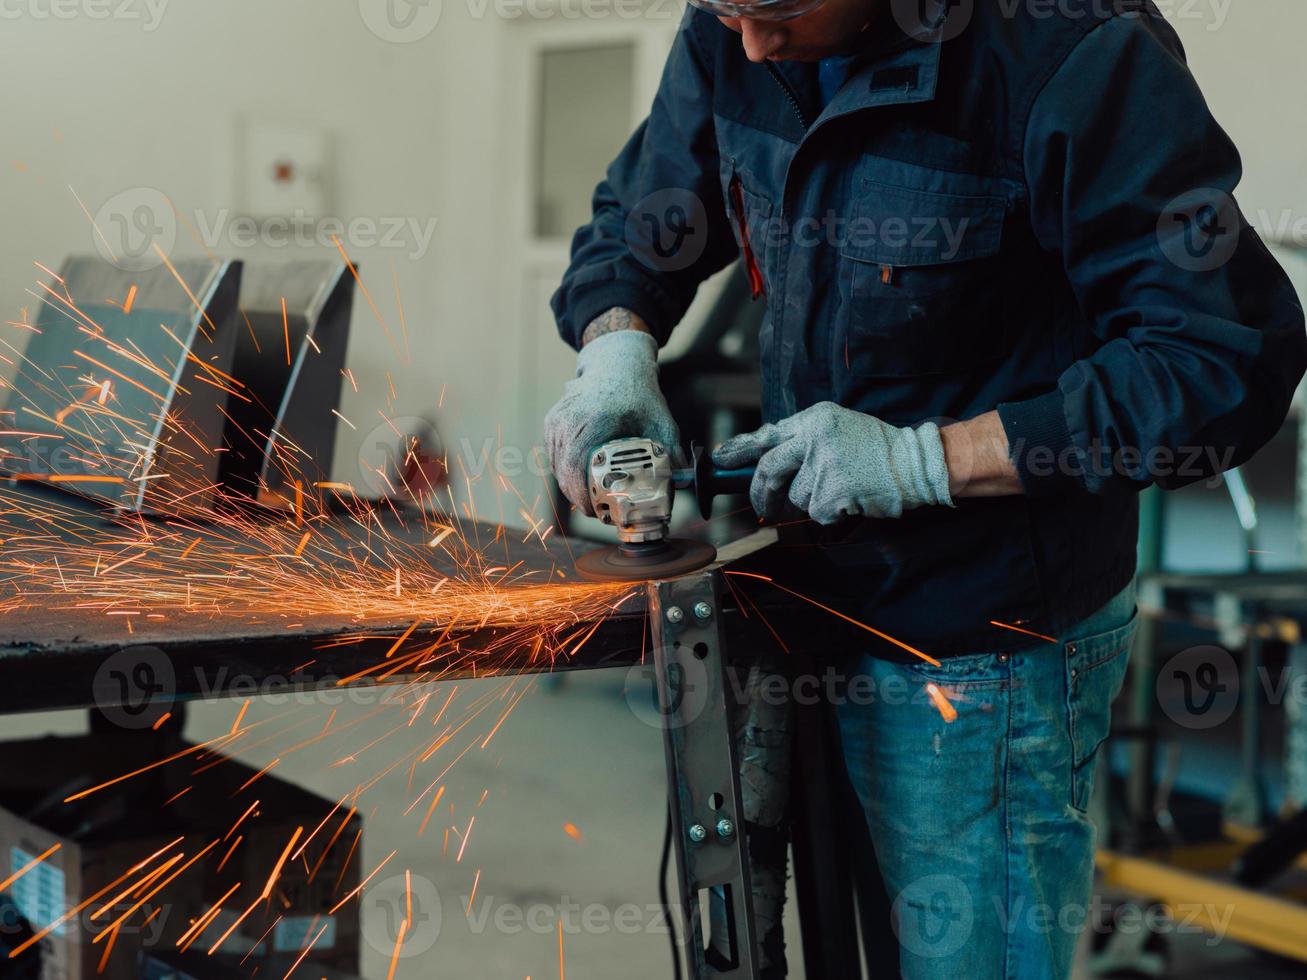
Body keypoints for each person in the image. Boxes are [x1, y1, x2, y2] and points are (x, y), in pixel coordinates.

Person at [544, 1, 1307, 976]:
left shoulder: (1073, 48)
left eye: (773, 10)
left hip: (982, 646)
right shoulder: (732, 26)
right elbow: (646, 215)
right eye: (725, 8)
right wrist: (613, 353)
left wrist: (922, 462)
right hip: (804, 598)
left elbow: (1216, 359)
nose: (748, 43)